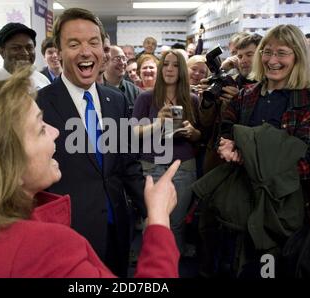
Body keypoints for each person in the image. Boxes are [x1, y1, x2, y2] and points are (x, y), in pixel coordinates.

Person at [0, 67, 180, 278]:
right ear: (6, 162)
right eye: (41, 128)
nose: (56, 132)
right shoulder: (50, 249)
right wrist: (158, 222)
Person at [36, 8, 146, 277]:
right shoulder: (38, 105)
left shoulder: (116, 100)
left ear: (103, 49)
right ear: (58, 52)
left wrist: (153, 209)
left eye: (93, 42)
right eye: (74, 44)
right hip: (67, 236)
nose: (86, 51)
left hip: (117, 229)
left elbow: (127, 164)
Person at [219, 24, 310, 219]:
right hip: (239, 200)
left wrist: (256, 165)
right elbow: (226, 125)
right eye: (267, 52)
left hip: (282, 209)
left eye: (282, 53)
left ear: (298, 57)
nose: (272, 60)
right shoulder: (246, 95)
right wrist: (226, 144)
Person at [132, 50, 202, 254]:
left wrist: (191, 132)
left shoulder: (192, 99)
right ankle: (151, 269)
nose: (170, 69)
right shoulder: (146, 98)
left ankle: (173, 269)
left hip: (183, 165)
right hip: (152, 165)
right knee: (153, 221)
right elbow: (135, 133)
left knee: (177, 224)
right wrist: (158, 123)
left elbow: (200, 136)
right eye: (166, 64)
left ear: (182, 70)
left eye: (175, 65)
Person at [0, 22, 50, 90]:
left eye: (29, 48)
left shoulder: (43, 81)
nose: (25, 53)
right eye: (16, 48)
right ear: (2, 52)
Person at [103, 45, 141, 112]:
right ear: (105, 61)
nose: (122, 63)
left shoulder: (134, 91)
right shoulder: (96, 88)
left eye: (124, 59)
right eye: (117, 59)